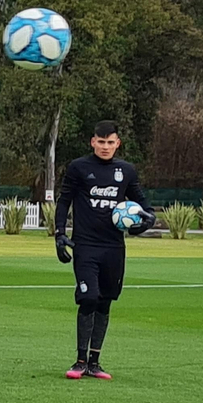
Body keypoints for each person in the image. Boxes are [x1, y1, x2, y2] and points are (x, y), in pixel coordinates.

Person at [53, 120, 155, 380]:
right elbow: (64, 201)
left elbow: (143, 206)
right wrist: (60, 234)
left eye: (110, 142)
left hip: (113, 248)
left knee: (105, 301)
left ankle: (95, 363)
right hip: (85, 246)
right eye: (101, 142)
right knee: (88, 298)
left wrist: (145, 222)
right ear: (93, 142)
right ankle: (79, 361)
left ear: (117, 143)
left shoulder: (126, 171)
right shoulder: (79, 168)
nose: (105, 147)